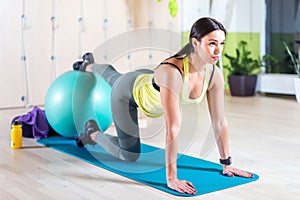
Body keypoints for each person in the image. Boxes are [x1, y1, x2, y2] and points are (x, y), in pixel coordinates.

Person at [74, 17, 254, 195]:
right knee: (129, 154)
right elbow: (173, 128)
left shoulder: (215, 75)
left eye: (222, 43)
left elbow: (220, 123)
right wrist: (172, 178)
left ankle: (89, 65)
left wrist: (226, 163)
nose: (218, 50)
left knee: (114, 77)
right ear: (195, 42)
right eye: (212, 43)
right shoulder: (173, 72)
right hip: (127, 95)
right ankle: (92, 133)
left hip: (146, 80)